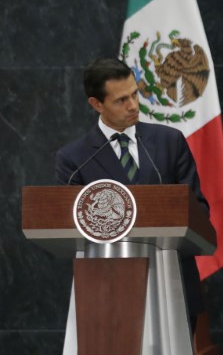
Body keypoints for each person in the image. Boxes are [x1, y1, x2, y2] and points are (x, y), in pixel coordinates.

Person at [55, 57, 208, 331]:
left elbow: (199, 211)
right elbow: (71, 228)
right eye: (121, 100)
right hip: (108, 291)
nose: (133, 106)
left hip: (174, 284)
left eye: (135, 94)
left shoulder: (169, 142)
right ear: (96, 104)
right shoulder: (74, 158)